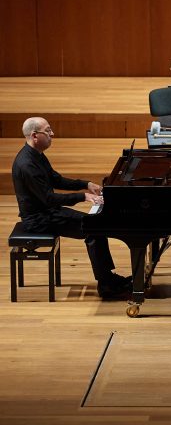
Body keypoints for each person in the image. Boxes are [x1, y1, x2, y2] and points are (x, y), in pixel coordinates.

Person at [11, 117, 131, 299]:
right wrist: (83, 196)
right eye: (48, 131)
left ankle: (108, 280)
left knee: (95, 226)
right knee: (94, 229)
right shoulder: (27, 164)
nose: (52, 134)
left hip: (48, 213)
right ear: (35, 136)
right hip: (38, 220)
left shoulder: (36, 155)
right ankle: (107, 285)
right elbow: (49, 198)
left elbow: (56, 180)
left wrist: (85, 184)